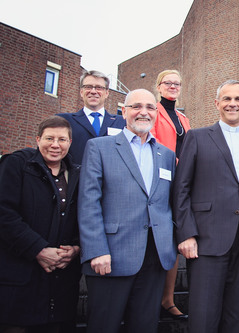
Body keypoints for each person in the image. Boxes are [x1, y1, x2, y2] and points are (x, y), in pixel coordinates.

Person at [174, 80, 239, 333]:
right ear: (217, 104)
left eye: (238, 99)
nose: (232, 104)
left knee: (238, 316)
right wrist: (185, 233)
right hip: (207, 239)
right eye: (227, 99)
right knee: (204, 314)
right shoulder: (197, 137)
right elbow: (181, 188)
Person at [78, 89, 177, 333]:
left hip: (155, 257)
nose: (143, 112)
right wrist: (96, 250)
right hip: (111, 256)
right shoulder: (99, 147)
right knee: (104, 326)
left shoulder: (167, 155)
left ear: (156, 113)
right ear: (124, 111)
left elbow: (169, 203)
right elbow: (89, 202)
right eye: (136, 106)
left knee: (145, 326)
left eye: (150, 107)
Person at [0, 116, 81, 332]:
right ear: (37, 139)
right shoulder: (17, 164)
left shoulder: (77, 173)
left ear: (70, 143)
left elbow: (83, 217)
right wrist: (37, 249)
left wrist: (76, 248)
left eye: (62, 139)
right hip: (20, 280)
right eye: (49, 138)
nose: (55, 145)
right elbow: (4, 213)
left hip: (61, 286)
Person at [152, 69, 190, 320]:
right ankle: (151, 297)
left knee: (175, 236)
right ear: (159, 86)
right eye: (168, 83)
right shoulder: (152, 111)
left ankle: (167, 298)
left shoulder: (183, 118)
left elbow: (189, 147)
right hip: (158, 178)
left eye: (177, 83)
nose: (173, 86)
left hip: (179, 181)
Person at [57, 70, 126, 164]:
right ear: (81, 92)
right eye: (88, 87)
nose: (93, 91)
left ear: (107, 93)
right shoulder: (64, 121)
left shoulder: (122, 122)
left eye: (99, 88)